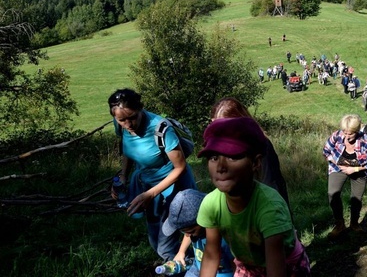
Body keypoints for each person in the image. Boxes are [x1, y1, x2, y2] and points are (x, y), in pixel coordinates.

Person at [197, 117, 310, 277]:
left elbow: (276, 270)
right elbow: (211, 256)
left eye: (233, 157)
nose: (221, 167)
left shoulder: (270, 207)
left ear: (256, 162)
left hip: (286, 266)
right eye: (214, 158)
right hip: (248, 265)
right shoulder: (210, 204)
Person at [108, 88, 197, 260]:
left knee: (165, 248)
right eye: (122, 120)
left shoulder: (160, 129)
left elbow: (180, 167)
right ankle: (196, 262)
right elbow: (128, 149)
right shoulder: (120, 125)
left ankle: (191, 265)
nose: (128, 124)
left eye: (132, 117)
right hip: (147, 186)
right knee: (155, 241)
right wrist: (124, 176)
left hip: (174, 187)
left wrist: (150, 194)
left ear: (141, 108)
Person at [210, 97, 290, 208]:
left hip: (265, 210)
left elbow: (271, 183)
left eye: (224, 125)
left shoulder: (261, 144)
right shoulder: (221, 148)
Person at [322, 114, 367, 238]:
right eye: (345, 133)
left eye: (350, 134)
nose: (346, 137)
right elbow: (326, 152)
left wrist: (355, 169)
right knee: (332, 193)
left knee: (356, 198)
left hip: (359, 170)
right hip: (338, 167)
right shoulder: (336, 136)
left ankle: (354, 223)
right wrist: (337, 162)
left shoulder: (366, 141)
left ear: (357, 131)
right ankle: (339, 224)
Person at [162, 189, 235, 277]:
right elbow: (188, 233)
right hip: (197, 267)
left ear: (203, 220)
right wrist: (181, 252)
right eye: (183, 231)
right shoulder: (194, 230)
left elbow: (236, 266)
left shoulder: (225, 239)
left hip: (223, 273)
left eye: (191, 231)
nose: (188, 235)